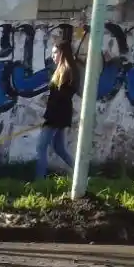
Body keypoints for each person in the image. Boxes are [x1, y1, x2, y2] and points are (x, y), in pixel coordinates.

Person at [36, 41, 79, 181]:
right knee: (59, 148)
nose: (52, 56)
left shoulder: (66, 71)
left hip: (56, 116)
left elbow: (60, 98)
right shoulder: (65, 70)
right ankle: (83, 174)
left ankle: (40, 181)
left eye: (55, 52)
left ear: (63, 53)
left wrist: (49, 118)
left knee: (41, 147)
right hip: (60, 115)